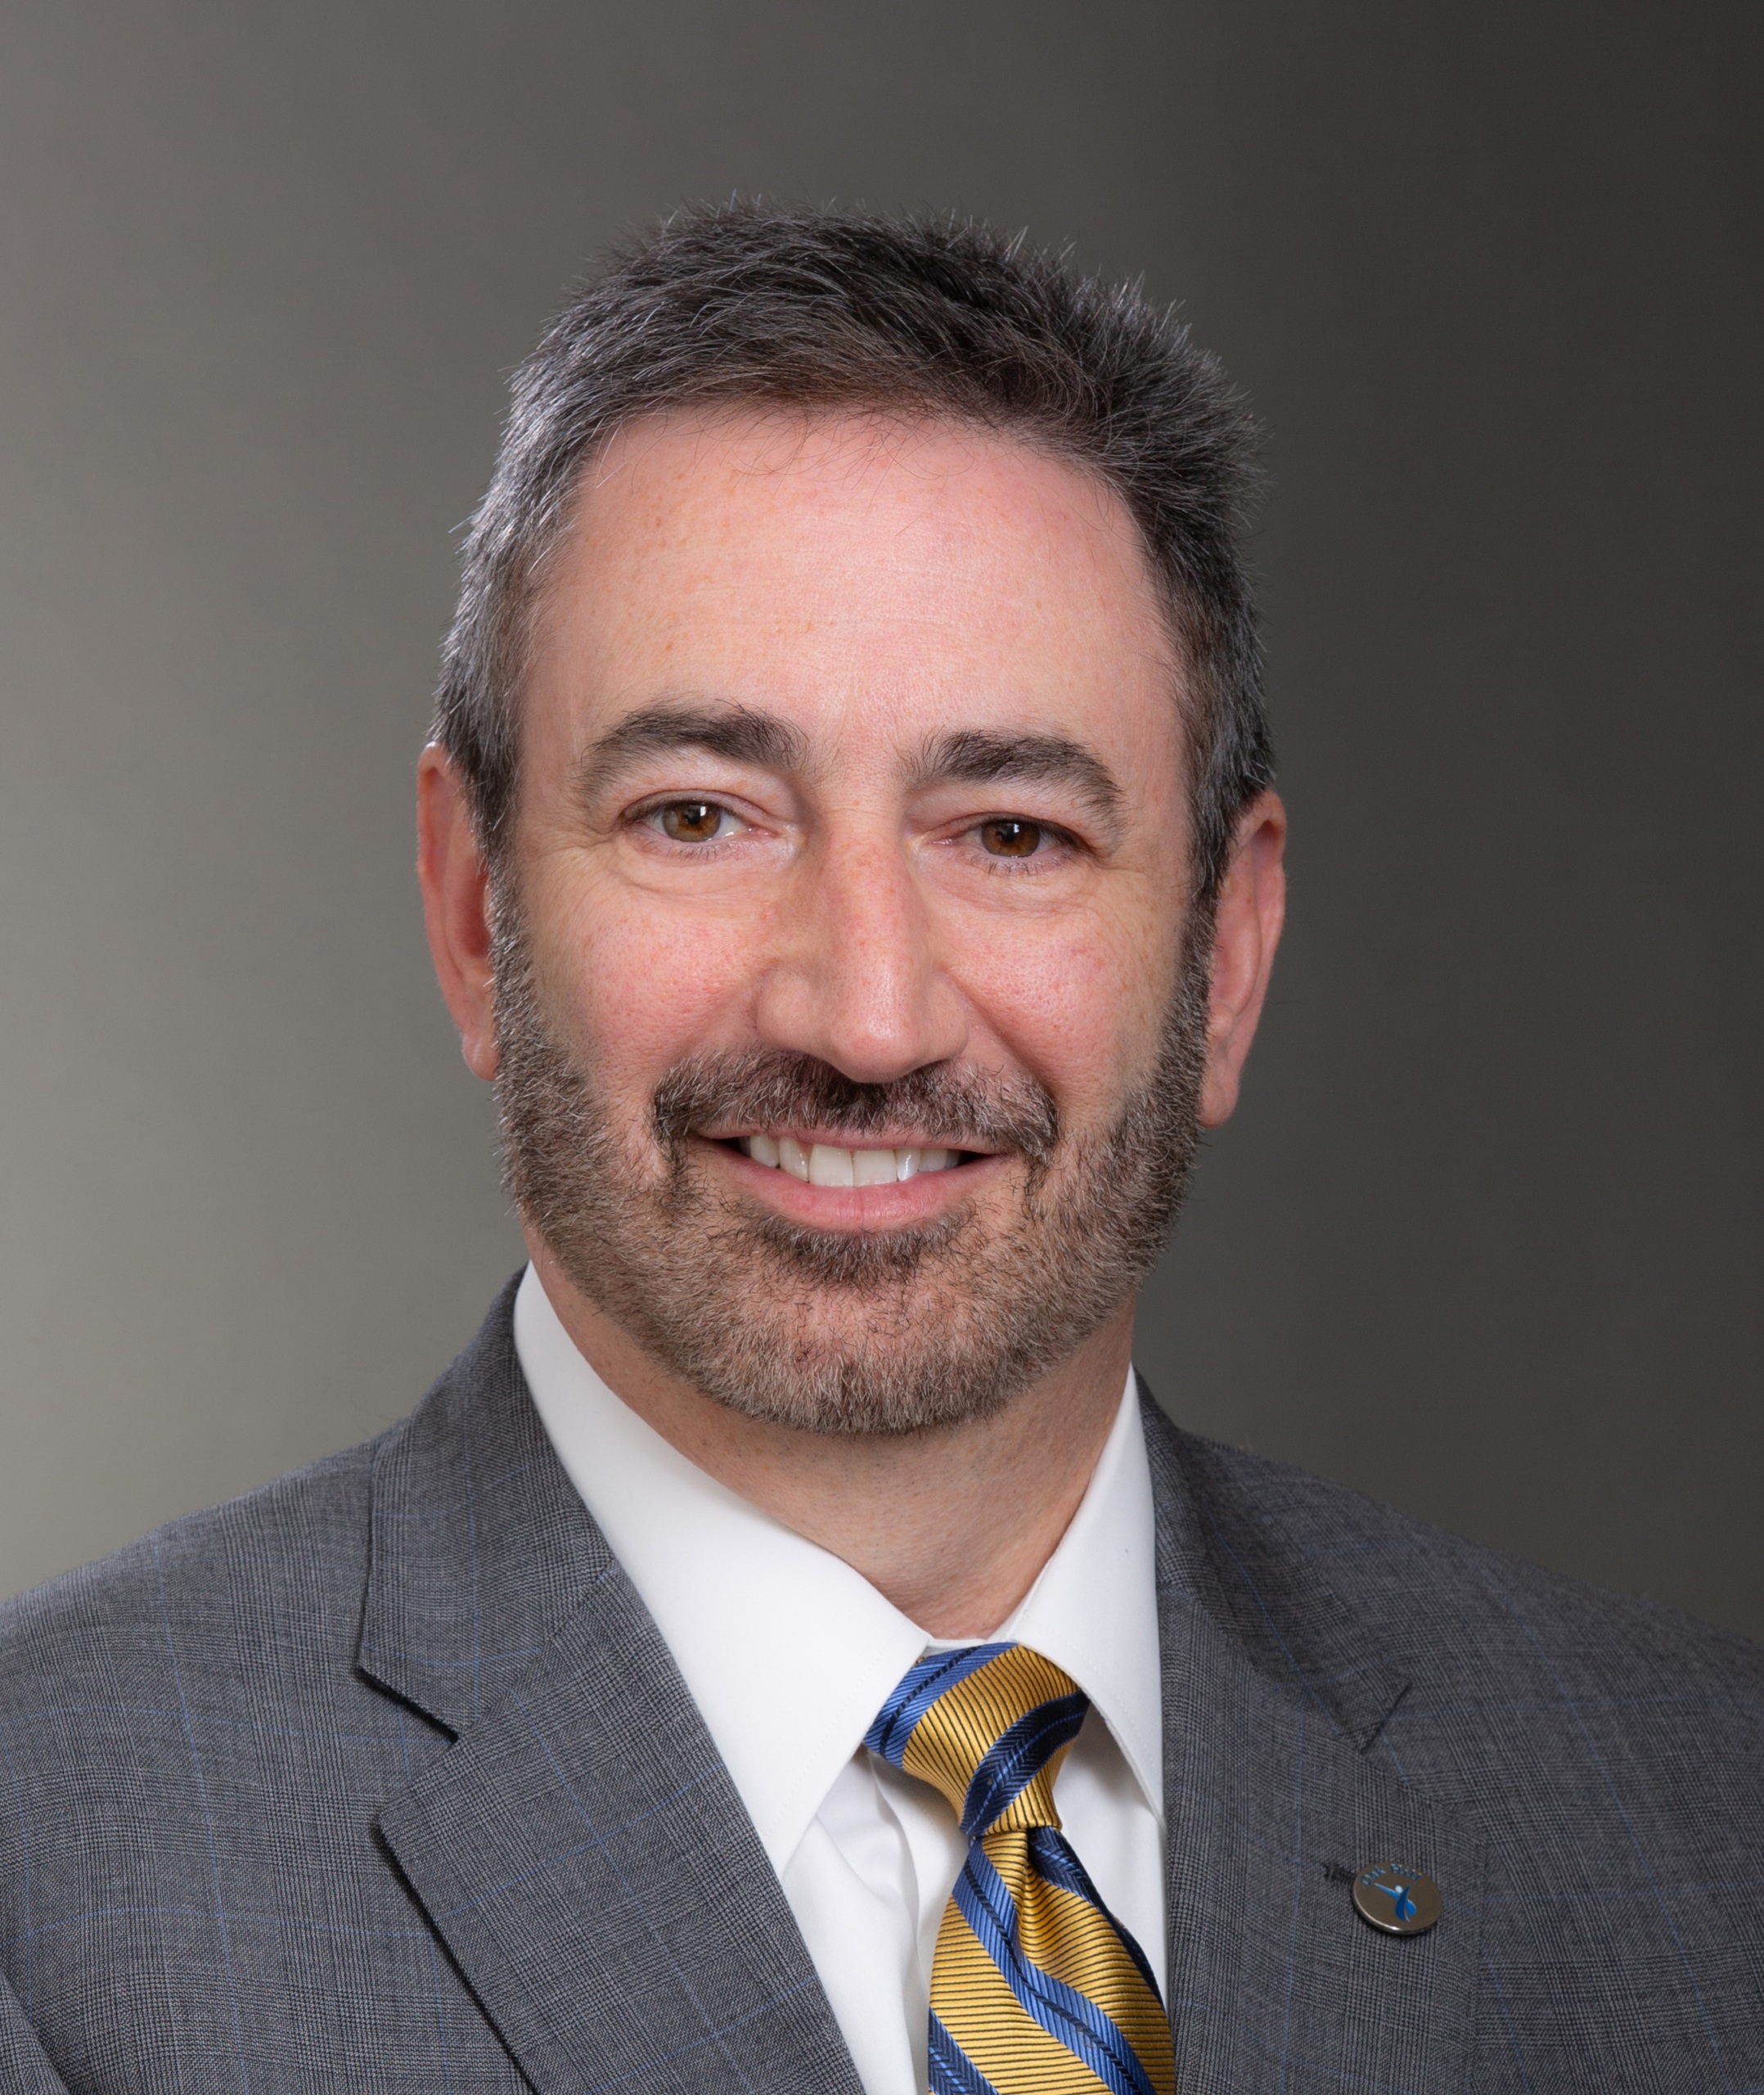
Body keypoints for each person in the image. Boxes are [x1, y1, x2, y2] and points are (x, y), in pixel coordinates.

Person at [0, 205, 1757, 2095]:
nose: (867, 1015)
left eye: (1009, 830)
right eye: (700, 813)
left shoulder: (1698, 1828)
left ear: (1226, 956)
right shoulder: (54, 1872)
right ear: (472, 912)